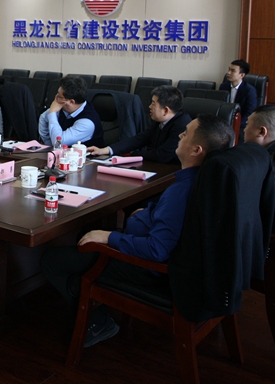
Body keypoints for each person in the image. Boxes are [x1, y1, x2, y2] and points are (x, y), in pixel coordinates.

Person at [40, 115, 232, 347]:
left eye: (186, 133)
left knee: (53, 260)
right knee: (86, 240)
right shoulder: (204, 180)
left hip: (148, 268)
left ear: (196, 150)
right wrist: (149, 213)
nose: (180, 135)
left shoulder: (181, 191)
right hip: (159, 251)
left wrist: (110, 237)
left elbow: (157, 249)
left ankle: (96, 320)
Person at [87, 85, 190, 163]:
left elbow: (162, 155)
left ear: (166, 110)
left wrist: (132, 154)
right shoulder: (160, 121)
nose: (149, 106)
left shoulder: (182, 125)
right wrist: (106, 150)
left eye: (153, 103)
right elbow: (139, 139)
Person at [243, 104, 275, 221]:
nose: (244, 129)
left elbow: (266, 207)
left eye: (247, 124)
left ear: (261, 131)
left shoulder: (268, 163)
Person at [37, 75, 104, 147]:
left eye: (59, 96)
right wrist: (49, 145)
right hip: (60, 152)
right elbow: (43, 118)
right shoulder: (63, 107)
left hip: (85, 154)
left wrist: (52, 113)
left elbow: (59, 143)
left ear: (71, 102)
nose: (55, 98)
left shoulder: (87, 123)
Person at [220, 59, 257, 132]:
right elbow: (220, 105)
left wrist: (236, 125)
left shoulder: (249, 90)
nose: (228, 73)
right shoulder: (223, 86)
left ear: (242, 75)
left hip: (241, 125)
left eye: (233, 71)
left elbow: (249, 112)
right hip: (224, 123)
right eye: (229, 69)